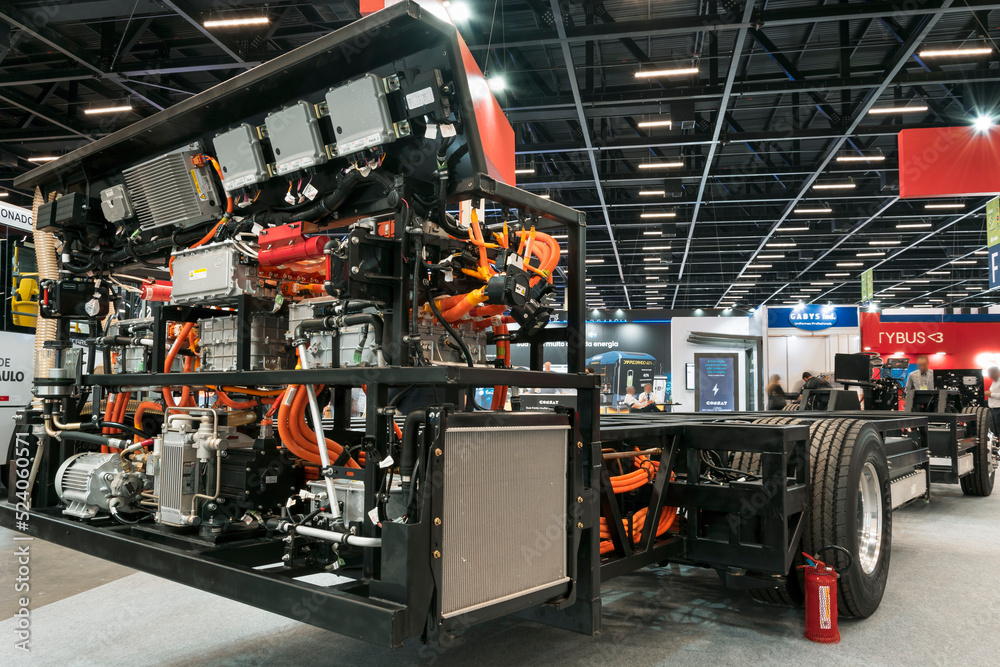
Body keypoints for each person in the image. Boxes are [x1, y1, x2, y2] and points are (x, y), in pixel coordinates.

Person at [985, 366, 1000, 434]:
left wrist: (991, 394)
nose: (990, 376)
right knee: (995, 431)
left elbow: (993, 394)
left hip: (998, 410)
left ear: (996, 373)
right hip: (993, 410)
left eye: (991, 374)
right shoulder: (995, 382)